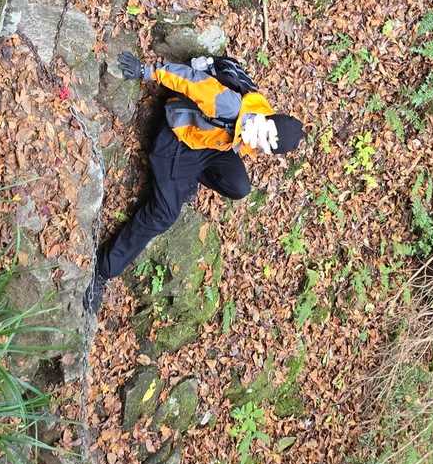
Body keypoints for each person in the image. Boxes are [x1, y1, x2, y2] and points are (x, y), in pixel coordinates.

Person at [83, 51, 304, 315]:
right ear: (268, 122)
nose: (261, 145)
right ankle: (104, 270)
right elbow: (189, 80)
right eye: (265, 137)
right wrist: (146, 71)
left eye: (267, 147)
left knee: (239, 186)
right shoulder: (229, 105)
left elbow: (244, 142)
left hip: (208, 143)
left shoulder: (259, 119)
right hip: (178, 138)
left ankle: (187, 178)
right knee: (163, 214)